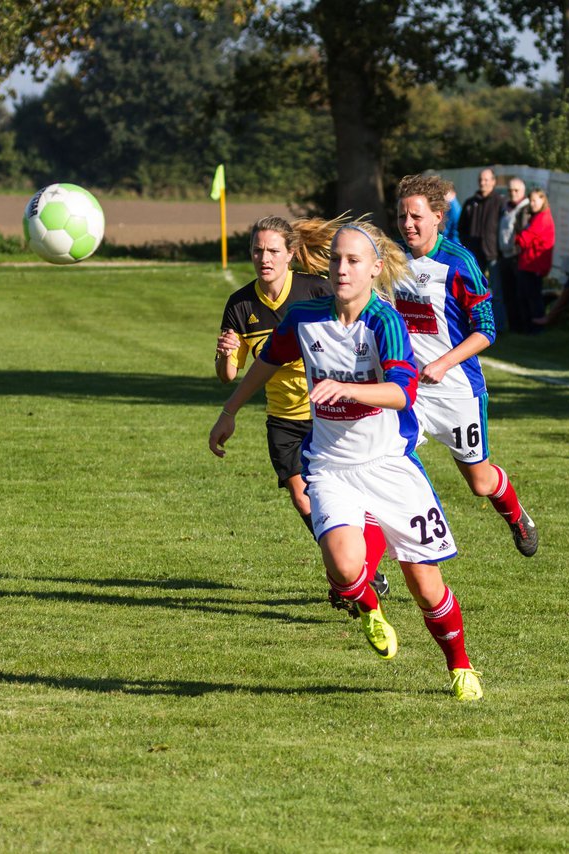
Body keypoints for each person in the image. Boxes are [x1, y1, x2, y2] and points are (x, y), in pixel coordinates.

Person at [208, 220, 484, 702]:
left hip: (390, 464)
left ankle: (460, 666)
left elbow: (403, 391)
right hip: (331, 466)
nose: (341, 268)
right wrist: (229, 410)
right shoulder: (306, 317)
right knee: (342, 565)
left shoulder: (384, 321)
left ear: (375, 269)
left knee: (426, 587)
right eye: (336, 259)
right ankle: (370, 609)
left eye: (354, 261)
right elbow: (268, 360)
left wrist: (347, 388)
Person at [215, 216, 389, 604]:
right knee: (302, 498)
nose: (265, 258)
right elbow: (231, 374)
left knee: (347, 494)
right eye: (258, 251)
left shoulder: (314, 292)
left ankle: (353, 569)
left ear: (291, 254)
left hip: (325, 415)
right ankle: (353, 569)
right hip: (283, 417)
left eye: (273, 250)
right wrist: (226, 354)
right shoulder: (241, 305)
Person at [393, 173, 538, 557]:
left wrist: (443, 362)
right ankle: (371, 564)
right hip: (408, 392)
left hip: (457, 392)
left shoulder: (459, 262)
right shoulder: (390, 261)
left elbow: (487, 330)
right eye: (402, 216)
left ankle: (516, 516)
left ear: (438, 216)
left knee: (480, 482)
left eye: (416, 216)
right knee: (383, 461)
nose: (408, 224)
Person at [513, 187, 554, 334]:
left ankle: (535, 327)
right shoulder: (537, 216)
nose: (532, 203)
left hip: (534, 264)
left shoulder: (542, 218)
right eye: (530, 200)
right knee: (527, 296)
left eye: (535, 200)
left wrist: (516, 237)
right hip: (529, 263)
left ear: (543, 200)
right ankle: (530, 327)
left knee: (532, 297)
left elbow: (525, 239)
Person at [495, 178, 532, 333]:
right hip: (504, 255)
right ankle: (513, 326)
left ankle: (524, 327)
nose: (513, 194)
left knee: (520, 294)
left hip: (517, 256)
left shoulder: (526, 208)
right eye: (510, 190)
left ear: (523, 191)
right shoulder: (506, 208)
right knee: (508, 294)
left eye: (516, 190)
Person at [459, 168, 504, 278]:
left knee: (498, 289)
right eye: (480, 179)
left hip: (494, 254)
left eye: (486, 180)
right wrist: (467, 244)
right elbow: (461, 227)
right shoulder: (470, 203)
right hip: (474, 254)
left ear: (493, 181)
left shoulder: (500, 202)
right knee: (475, 287)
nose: (482, 182)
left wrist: (499, 248)